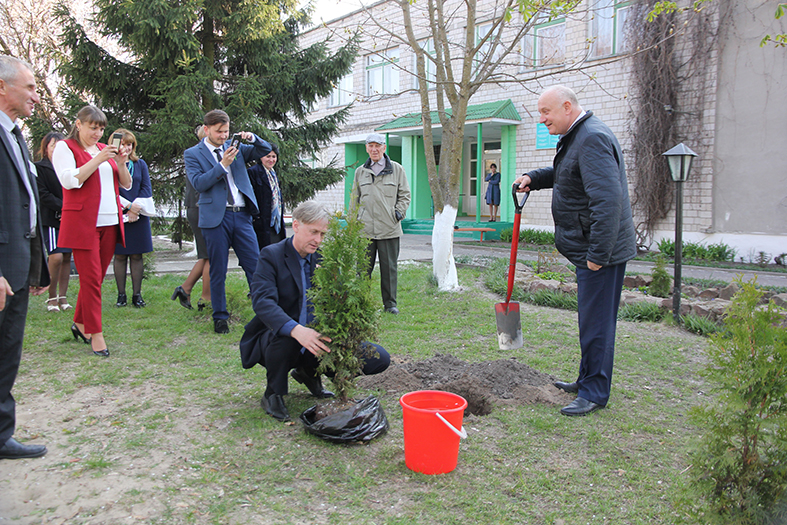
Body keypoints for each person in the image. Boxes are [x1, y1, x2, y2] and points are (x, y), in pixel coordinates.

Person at [515, 85, 636, 417]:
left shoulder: (592, 138)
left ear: (567, 107)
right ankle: (586, 380)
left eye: (545, 112)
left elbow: (607, 201)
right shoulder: (579, 135)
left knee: (596, 323)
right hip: (592, 248)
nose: (541, 119)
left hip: (601, 253)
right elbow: (569, 174)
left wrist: (597, 253)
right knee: (589, 320)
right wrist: (534, 178)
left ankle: (594, 392)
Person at [240, 201, 391, 422]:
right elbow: (263, 302)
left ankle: (308, 373)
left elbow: (338, 302)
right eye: (314, 232)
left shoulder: (323, 258)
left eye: (322, 234)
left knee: (379, 358)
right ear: (296, 225)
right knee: (288, 336)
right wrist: (296, 330)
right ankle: (273, 393)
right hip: (277, 338)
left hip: (319, 338)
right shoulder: (271, 256)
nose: (318, 240)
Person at [53, 105, 133, 358]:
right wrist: (98, 159)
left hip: (110, 221)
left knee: (95, 279)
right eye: (92, 127)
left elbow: (126, 184)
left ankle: (79, 323)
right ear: (79, 124)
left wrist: (119, 163)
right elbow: (69, 180)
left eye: (101, 128)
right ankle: (95, 334)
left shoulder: (103, 150)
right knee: (90, 279)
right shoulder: (65, 147)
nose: (97, 133)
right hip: (83, 222)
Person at [0, 56, 50, 459]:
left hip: (16, 265)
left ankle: (1, 435)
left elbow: (24, 206)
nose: (36, 95)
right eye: (30, 87)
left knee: (7, 353)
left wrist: (34, 267)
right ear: (3, 87)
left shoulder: (15, 134)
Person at [184, 110, 272, 334]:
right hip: (215, 217)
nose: (224, 136)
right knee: (218, 269)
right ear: (207, 130)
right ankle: (220, 317)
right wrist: (222, 165)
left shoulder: (237, 149)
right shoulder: (193, 154)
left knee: (254, 265)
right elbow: (198, 184)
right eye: (219, 132)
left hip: (241, 215)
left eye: (226, 131)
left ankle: (266, 314)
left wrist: (252, 138)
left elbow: (266, 149)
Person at [350, 133, 411, 314]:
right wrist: (353, 223)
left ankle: (390, 304)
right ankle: (362, 302)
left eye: (378, 146)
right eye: (371, 146)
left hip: (389, 228)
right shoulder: (360, 171)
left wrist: (398, 213)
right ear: (367, 148)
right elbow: (355, 198)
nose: (374, 149)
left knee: (389, 269)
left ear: (384, 147)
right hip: (365, 229)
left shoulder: (397, 169)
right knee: (362, 269)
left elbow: (405, 195)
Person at [112, 129, 154, 308]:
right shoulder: (109, 164)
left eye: (129, 144)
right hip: (117, 215)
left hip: (139, 215)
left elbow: (146, 188)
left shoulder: (140, 164)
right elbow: (110, 190)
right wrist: (127, 207)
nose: (126, 148)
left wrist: (135, 209)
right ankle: (121, 295)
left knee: (137, 256)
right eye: (122, 144)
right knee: (120, 256)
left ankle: (137, 295)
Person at [35, 131, 72, 312]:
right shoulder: (39, 168)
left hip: (69, 218)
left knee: (66, 257)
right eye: (53, 146)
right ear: (46, 148)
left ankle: (63, 297)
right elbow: (43, 195)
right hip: (51, 218)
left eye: (60, 146)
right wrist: (64, 207)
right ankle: (51, 297)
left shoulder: (69, 167)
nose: (56, 149)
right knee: (55, 256)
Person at [171, 175, 211, 311]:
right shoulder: (198, 155)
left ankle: (185, 289)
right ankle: (206, 299)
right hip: (201, 207)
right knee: (211, 256)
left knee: (207, 256)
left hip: (199, 206)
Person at [248, 143, 286, 250]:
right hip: (262, 222)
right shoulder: (253, 172)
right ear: (261, 157)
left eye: (273, 156)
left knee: (278, 251)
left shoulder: (273, 174)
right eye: (268, 156)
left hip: (276, 222)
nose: (271, 160)